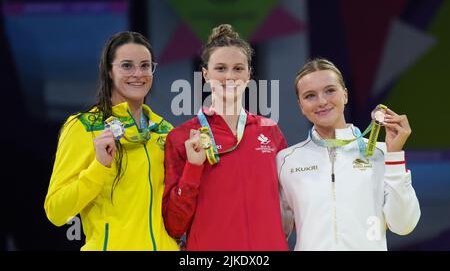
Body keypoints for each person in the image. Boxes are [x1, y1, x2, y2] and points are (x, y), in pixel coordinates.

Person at [44, 31, 178, 251]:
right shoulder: (84, 127)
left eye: (145, 66)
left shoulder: (164, 131)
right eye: (127, 66)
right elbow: (56, 211)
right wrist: (99, 167)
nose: (138, 74)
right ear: (108, 71)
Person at [162, 24, 288, 250]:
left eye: (238, 68)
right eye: (220, 68)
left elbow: (289, 206)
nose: (229, 76)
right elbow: (174, 226)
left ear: (249, 74)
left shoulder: (270, 131)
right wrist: (193, 166)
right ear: (205, 74)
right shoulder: (181, 138)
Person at [277, 58, 421, 251]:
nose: (322, 101)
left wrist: (394, 156)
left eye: (330, 90)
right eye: (310, 96)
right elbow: (277, 231)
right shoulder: (286, 160)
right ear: (301, 106)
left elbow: (404, 225)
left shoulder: (382, 153)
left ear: (345, 95)